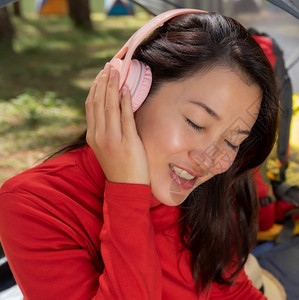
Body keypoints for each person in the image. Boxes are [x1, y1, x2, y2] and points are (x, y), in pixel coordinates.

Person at [0, 9, 279, 299]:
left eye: (233, 142)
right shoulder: (34, 205)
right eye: (196, 123)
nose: (210, 159)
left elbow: (233, 291)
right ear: (130, 92)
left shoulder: (210, 187)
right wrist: (127, 191)